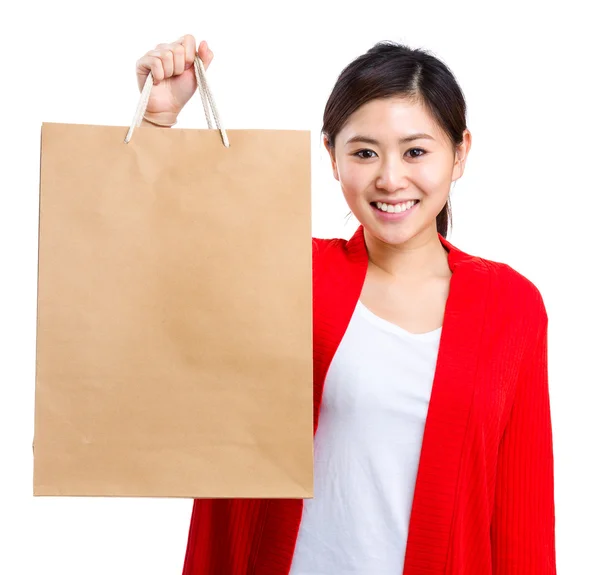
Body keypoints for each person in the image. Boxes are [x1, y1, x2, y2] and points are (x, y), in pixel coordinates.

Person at [136, 35, 557, 575]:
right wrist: (155, 126)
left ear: (460, 154)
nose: (389, 178)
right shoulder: (285, 271)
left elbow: (522, 513)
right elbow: (149, 279)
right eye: (364, 152)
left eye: (416, 151)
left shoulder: (510, 305)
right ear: (332, 156)